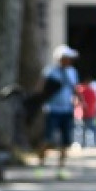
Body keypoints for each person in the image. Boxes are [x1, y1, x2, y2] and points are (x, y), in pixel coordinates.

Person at [37, 45, 80, 178]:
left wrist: (78, 101)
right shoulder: (50, 71)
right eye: (67, 58)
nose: (69, 61)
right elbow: (41, 89)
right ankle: (41, 166)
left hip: (67, 110)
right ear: (60, 59)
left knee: (65, 142)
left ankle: (61, 170)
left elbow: (75, 88)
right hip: (52, 110)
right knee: (48, 139)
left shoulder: (72, 72)